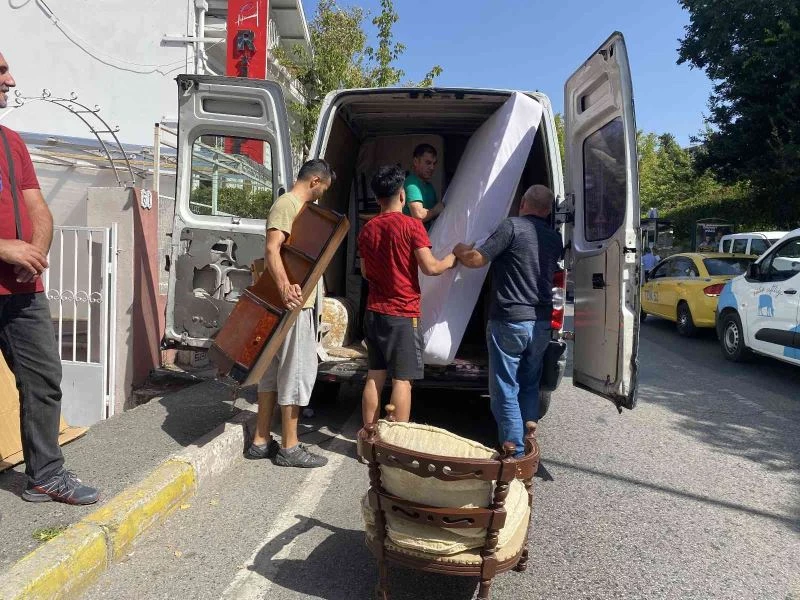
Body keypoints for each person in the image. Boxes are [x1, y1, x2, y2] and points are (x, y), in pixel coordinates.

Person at [0, 52, 98, 504]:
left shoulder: (11, 143)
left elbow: (37, 205)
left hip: (21, 292)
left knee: (43, 378)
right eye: (1, 71)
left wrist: (34, 250)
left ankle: (45, 475)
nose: (12, 79)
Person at [454, 185, 562, 457]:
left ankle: (514, 453)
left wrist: (458, 249)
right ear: (548, 210)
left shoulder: (512, 227)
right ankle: (528, 441)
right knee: (528, 385)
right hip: (540, 324)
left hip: (509, 321)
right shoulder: (555, 238)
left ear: (522, 203)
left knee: (504, 390)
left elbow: (477, 260)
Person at [245, 159, 335, 468]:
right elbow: (272, 248)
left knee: (271, 375)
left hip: (285, 303)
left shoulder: (296, 207)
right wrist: (286, 287)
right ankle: (290, 447)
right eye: (323, 188)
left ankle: (260, 441)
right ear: (314, 181)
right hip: (292, 303)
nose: (322, 194)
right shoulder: (287, 204)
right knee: (295, 374)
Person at [358, 165, 457, 425]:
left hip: (374, 312)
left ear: (378, 198)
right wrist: (452, 258)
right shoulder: (411, 226)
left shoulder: (367, 230)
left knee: (374, 376)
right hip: (402, 314)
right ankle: (397, 442)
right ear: (402, 195)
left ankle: (367, 435)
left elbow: (366, 272)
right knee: (403, 380)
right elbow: (431, 267)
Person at [402, 144, 445, 228]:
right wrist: (436, 210)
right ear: (415, 162)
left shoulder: (429, 186)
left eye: (434, 163)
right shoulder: (412, 183)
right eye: (428, 163)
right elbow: (419, 215)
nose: (432, 167)